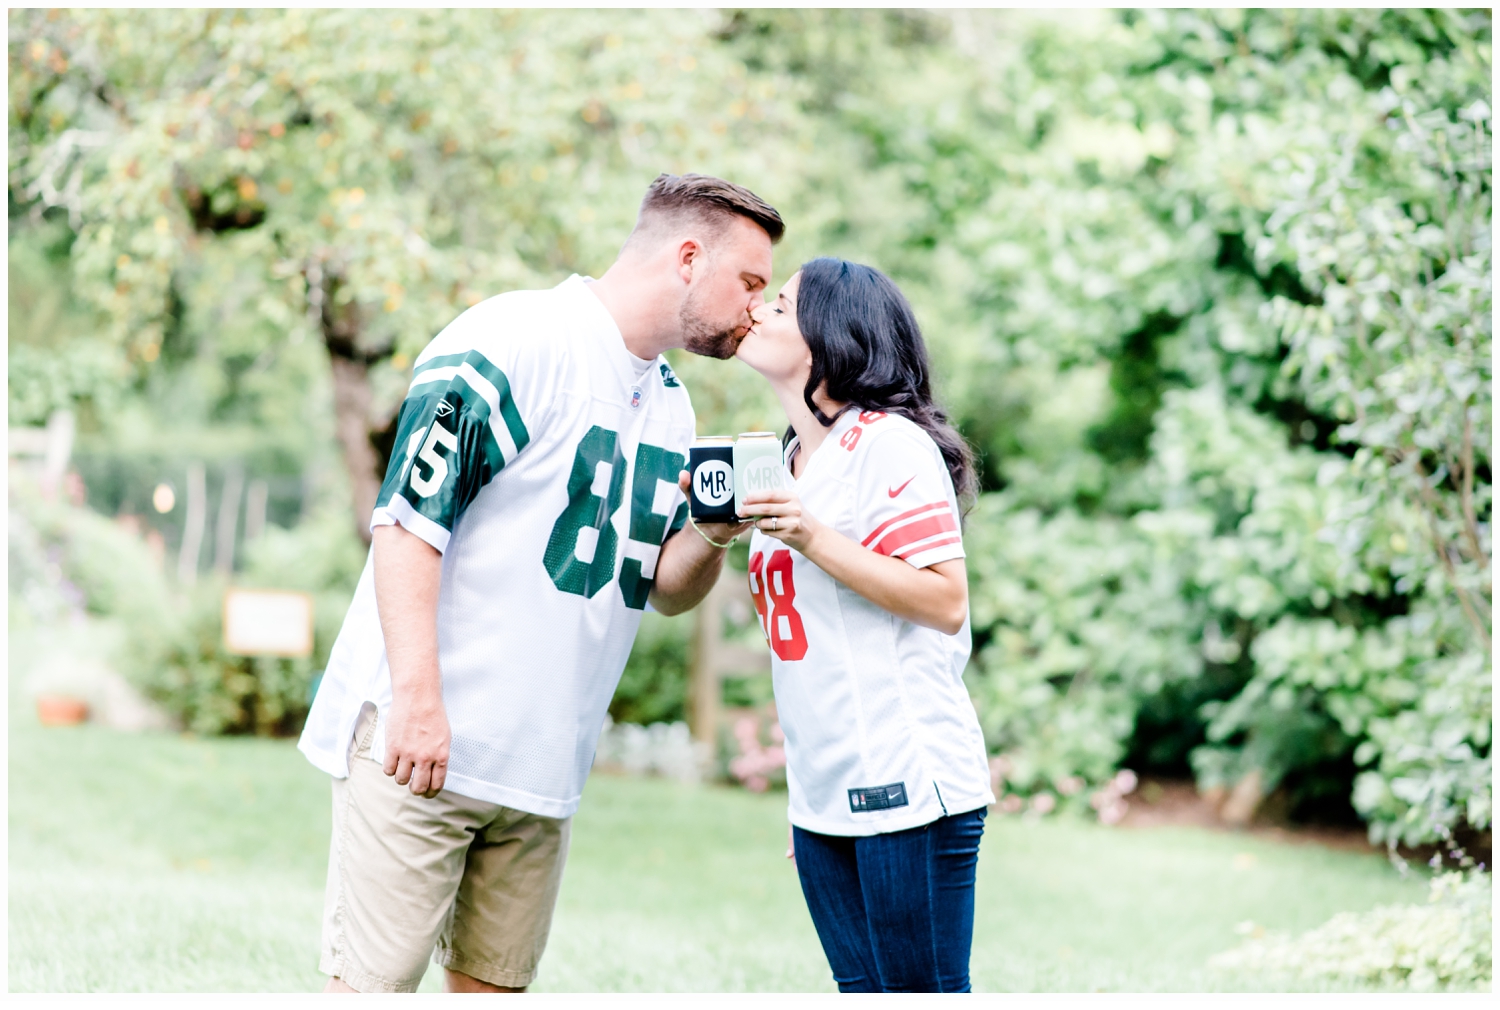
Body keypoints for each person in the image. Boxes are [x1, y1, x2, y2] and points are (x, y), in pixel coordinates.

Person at [296, 174, 776, 993]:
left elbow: (663, 586)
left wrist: (712, 529)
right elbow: (407, 522)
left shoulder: (670, 406)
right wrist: (416, 699)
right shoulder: (514, 339)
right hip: (424, 745)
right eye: (752, 284)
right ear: (688, 257)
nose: (758, 309)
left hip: (542, 767)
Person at [732, 257, 994, 993]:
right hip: (823, 799)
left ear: (829, 339)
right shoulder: (783, 460)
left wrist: (812, 536)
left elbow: (945, 601)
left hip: (907, 783)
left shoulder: (887, 443)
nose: (758, 312)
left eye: (780, 306)